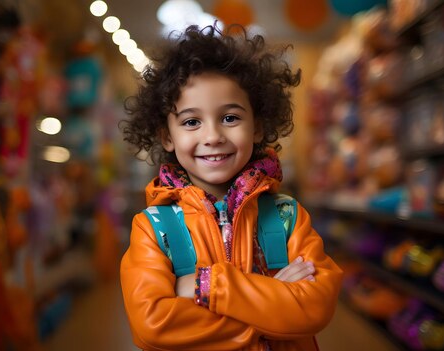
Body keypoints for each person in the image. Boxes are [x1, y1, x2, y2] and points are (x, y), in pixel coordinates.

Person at [119, 23, 343, 351]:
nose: (212, 136)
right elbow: (154, 327)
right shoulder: (154, 228)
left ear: (257, 127)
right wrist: (272, 310)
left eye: (229, 118)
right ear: (167, 137)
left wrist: (206, 287)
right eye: (191, 122)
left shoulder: (288, 217)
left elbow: (315, 308)